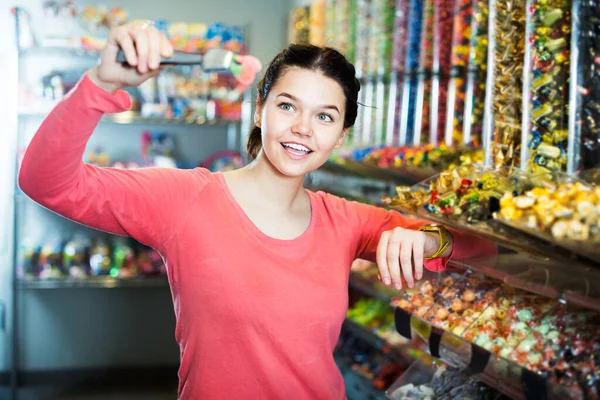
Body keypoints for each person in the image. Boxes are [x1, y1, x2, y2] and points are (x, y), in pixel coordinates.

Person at [19, 20, 496, 400]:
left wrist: (432, 239)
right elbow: (46, 182)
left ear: (340, 136)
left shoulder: (345, 220)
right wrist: (101, 84)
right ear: (259, 110)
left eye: (325, 116)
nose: (304, 128)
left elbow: (485, 245)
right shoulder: (184, 199)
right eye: (288, 106)